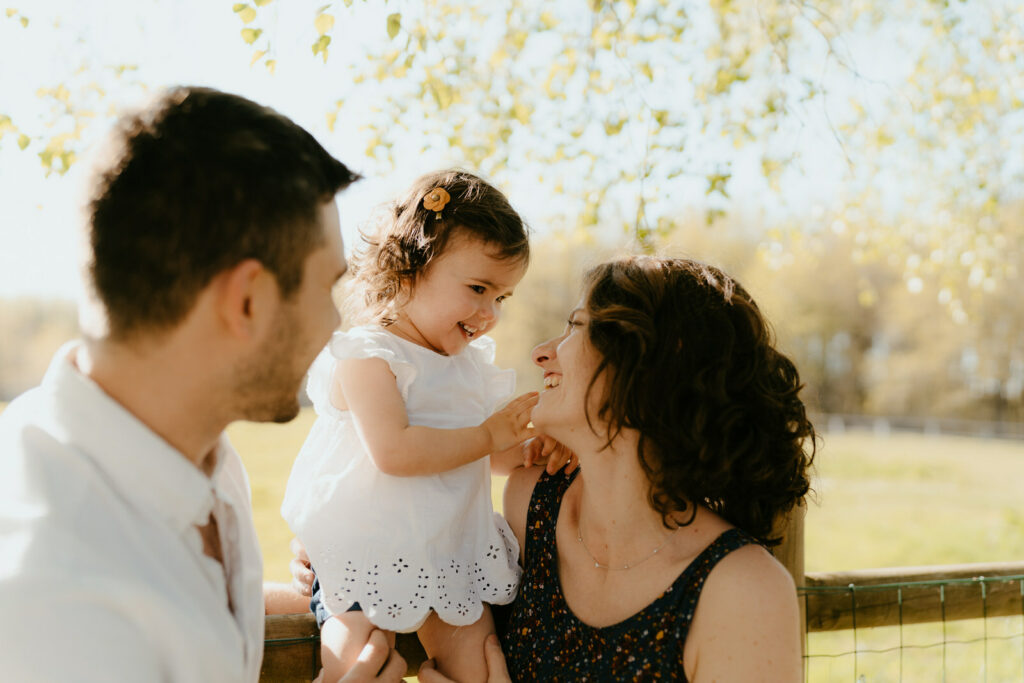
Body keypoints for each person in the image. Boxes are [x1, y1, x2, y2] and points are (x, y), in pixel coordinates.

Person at [0, 86, 401, 682]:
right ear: (247, 301)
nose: (335, 323)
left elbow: (183, 608)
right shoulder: (54, 596)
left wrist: (342, 590)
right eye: (326, 288)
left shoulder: (197, 452)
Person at [292, 255, 815, 682]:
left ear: (651, 366)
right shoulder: (530, 504)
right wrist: (341, 546)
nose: (543, 353)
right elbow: (426, 550)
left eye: (577, 327)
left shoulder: (741, 590)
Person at [280, 170, 541, 683]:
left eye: (501, 298)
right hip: (366, 551)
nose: (489, 313)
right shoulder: (368, 355)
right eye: (478, 288)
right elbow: (395, 452)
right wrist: (490, 434)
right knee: (353, 655)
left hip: (449, 552)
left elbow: (480, 456)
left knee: (482, 662)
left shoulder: (469, 367)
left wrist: (529, 448)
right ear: (408, 268)